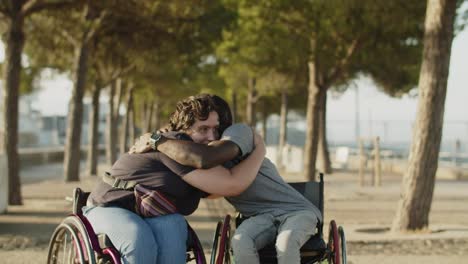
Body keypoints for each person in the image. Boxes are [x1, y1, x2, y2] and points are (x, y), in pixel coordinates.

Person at [133, 95, 322, 264]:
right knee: (240, 242)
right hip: (260, 216)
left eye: (215, 125)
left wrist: (159, 140)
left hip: (296, 211)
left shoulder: (237, 133)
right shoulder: (194, 149)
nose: (212, 133)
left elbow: (208, 156)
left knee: (286, 243)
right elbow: (210, 189)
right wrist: (162, 137)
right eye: (204, 126)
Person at [84, 94, 265, 264]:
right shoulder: (176, 146)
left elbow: (215, 190)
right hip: (109, 205)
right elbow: (231, 185)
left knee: (174, 227)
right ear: (183, 130)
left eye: (215, 129)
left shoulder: (190, 153)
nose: (212, 137)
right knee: (138, 237)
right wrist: (260, 150)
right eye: (203, 129)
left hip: (151, 211)